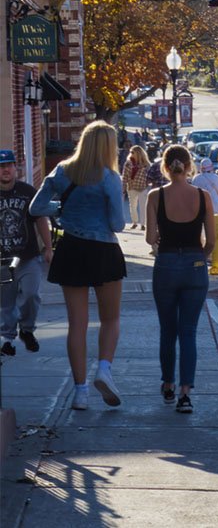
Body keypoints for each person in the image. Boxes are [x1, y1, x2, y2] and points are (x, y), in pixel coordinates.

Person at [30, 121, 127, 411]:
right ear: (108, 147)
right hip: (103, 250)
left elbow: (36, 208)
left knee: (77, 325)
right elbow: (118, 224)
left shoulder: (61, 171)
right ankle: (104, 370)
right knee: (110, 319)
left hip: (71, 248)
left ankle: (80, 392)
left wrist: (61, 209)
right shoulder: (109, 177)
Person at [146, 146, 215, 414]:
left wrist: (162, 240)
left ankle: (168, 384)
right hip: (195, 265)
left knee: (168, 330)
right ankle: (186, 394)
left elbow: (151, 238)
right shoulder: (203, 196)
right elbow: (211, 241)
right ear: (189, 167)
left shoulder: (155, 196)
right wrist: (201, 257)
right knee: (188, 332)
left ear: (165, 167)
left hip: (165, 265)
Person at [1, 149, 52, 356]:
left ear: (15, 168)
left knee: (31, 295)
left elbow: (40, 219)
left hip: (27, 256)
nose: (5, 170)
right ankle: (7, 338)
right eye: (1, 167)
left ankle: (27, 330)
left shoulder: (28, 192)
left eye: (8, 165)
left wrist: (48, 248)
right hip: (3, 260)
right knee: (6, 302)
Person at [122, 145, 152, 230]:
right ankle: (134, 222)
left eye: (133, 152)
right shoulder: (128, 163)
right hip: (131, 187)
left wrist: (148, 182)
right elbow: (124, 176)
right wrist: (123, 187)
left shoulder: (146, 164)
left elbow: (149, 175)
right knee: (133, 206)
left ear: (138, 153)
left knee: (143, 206)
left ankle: (143, 224)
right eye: (130, 152)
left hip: (142, 187)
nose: (131, 154)